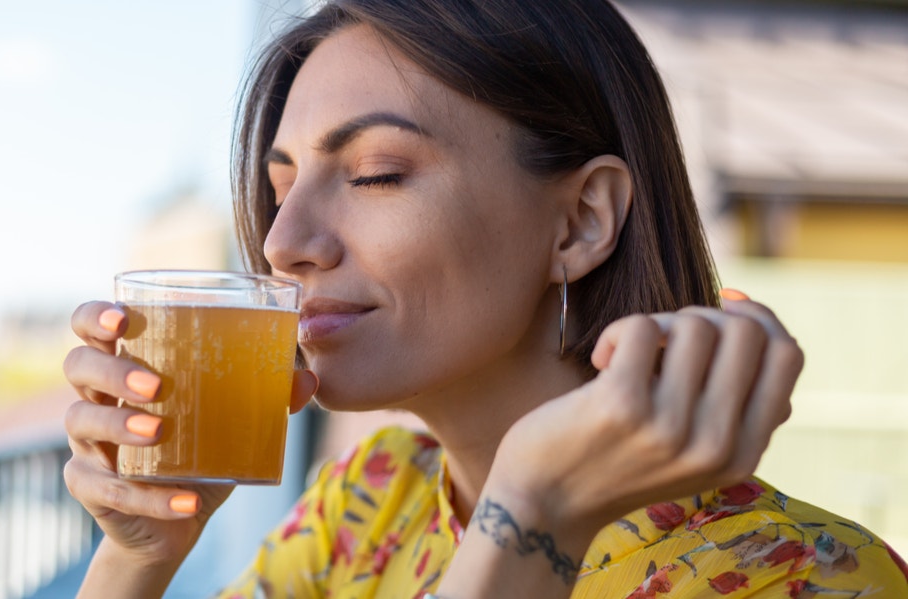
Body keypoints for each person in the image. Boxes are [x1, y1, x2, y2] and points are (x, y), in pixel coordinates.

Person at [61, 0, 908, 597]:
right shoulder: (368, 506)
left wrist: (534, 515)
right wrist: (139, 555)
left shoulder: (799, 579)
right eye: (281, 188)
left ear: (580, 220)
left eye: (374, 174)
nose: (283, 243)